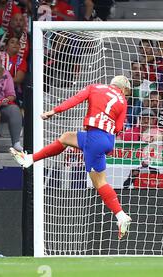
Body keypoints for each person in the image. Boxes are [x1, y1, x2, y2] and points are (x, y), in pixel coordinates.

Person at [9, 75, 133, 239]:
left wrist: (55, 111)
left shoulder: (94, 87)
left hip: (94, 137)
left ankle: (121, 216)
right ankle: (29, 159)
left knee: (100, 182)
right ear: (123, 89)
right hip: (105, 139)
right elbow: (118, 127)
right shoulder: (123, 101)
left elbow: (75, 99)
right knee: (67, 137)